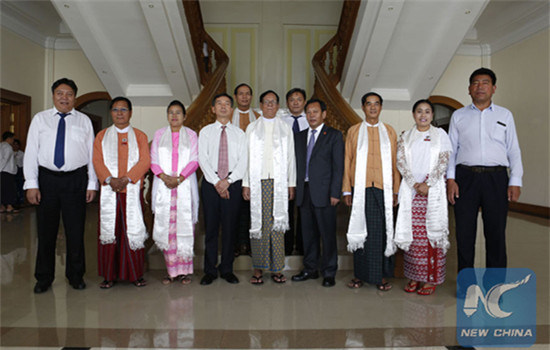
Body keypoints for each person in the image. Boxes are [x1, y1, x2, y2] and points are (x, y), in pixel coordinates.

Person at [24, 77, 98, 293]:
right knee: (46, 231)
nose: (64, 97)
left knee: (76, 231)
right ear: (53, 95)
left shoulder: (83, 121)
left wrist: (92, 183)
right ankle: (44, 277)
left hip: (76, 180)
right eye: (60, 93)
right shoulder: (40, 119)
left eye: (69, 94)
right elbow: (30, 153)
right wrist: (31, 184)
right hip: (47, 180)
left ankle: (76, 275)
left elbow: (92, 154)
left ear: (74, 97)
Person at [447, 68, 523, 271]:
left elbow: (513, 149)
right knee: (464, 233)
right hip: (465, 178)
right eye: (476, 83)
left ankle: (495, 287)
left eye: (485, 82)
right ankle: (467, 284)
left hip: (496, 178)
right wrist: (451, 180)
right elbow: (451, 151)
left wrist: (515, 180)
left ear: (494, 88)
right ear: (469, 89)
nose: (480, 87)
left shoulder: (505, 115)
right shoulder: (458, 116)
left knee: (496, 233)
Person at [343, 92, 400, 291]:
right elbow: (347, 160)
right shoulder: (354, 131)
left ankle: (380, 276)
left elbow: (395, 163)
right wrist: (346, 190)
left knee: (381, 234)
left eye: (376, 104)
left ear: (381, 107)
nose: (373, 107)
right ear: (363, 107)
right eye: (369, 104)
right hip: (361, 189)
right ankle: (359, 275)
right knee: (361, 232)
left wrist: (396, 190)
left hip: (384, 189)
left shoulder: (390, 132)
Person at [394, 99, 451, 295]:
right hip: (411, 191)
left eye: (427, 111)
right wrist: (414, 184)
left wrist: (428, 184)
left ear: (432, 115)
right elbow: (401, 162)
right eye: (419, 111)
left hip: (433, 191)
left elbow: (443, 161)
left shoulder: (440, 135)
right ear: (413, 114)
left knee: (430, 237)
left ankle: (430, 279)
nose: (423, 115)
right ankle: (413, 276)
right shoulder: (405, 137)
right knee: (414, 238)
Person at [92, 96, 150, 289]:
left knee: (131, 233)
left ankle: (135, 273)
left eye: (123, 110)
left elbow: (145, 161)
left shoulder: (140, 136)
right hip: (110, 192)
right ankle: (109, 275)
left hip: (131, 192)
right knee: (111, 233)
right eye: (115, 110)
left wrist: (126, 179)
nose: (119, 113)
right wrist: (110, 180)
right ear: (111, 113)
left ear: (130, 113)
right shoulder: (101, 136)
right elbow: (97, 161)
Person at [243, 90, 296, 284]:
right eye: (266, 102)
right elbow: (246, 158)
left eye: (274, 102)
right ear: (261, 105)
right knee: (259, 225)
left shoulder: (285, 128)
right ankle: (258, 268)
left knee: (278, 225)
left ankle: (277, 268)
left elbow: (291, 158)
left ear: (278, 105)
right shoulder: (252, 128)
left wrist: (291, 183)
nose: (270, 105)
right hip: (258, 183)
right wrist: (246, 184)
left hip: (279, 183)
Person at [291, 99, 344, 287]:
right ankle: (310, 269)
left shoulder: (334, 135)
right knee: (308, 234)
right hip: (304, 192)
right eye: (309, 112)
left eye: (315, 112)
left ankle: (329, 272)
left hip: (325, 192)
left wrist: (335, 192)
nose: (312, 115)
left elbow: (339, 167)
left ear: (324, 114)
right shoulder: (298, 136)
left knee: (327, 234)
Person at [198, 93, 247, 285]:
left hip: (233, 185)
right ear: (213, 109)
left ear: (232, 109)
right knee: (211, 229)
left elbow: (244, 161)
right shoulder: (206, 132)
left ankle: (227, 269)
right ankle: (210, 270)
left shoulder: (240, 134)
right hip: (211, 186)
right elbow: (202, 158)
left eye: (227, 104)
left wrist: (229, 181)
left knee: (229, 228)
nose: (224, 107)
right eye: (219, 103)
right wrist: (217, 182)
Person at [150, 100, 199, 285]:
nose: (174, 116)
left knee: (185, 228)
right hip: (164, 186)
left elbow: (194, 160)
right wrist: (165, 177)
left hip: (184, 186)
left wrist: (178, 178)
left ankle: (185, 271)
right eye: (171, 112)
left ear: (185, 116)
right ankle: (170, 271)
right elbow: (153, 160)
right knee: (168, 230)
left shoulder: (192, 135)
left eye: (178, 112)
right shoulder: (159, 134)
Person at [231, 83, 259, 257]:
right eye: (241, 94)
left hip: (253, 171)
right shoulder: (227, 116)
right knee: (234, 209)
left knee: (250, 210)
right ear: (235, 97)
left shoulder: (257, 117)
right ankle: (235, 244)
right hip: (233, 172)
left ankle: (249, 245)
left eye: (247, 94)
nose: (244, 97)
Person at [281, 87, 307, 255]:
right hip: (286, 172)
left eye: (299, 99)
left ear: (304, 102)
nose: (296, 102)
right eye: (292, 99)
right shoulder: (281, 122)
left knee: (304, 212)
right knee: (287, 210)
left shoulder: (311, 119)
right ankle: (287, 246)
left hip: (305, 174)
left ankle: (303, 246)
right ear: (287, 103)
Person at [0, 132, 18, 213]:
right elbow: (5, 159)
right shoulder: (8, 147)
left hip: (2, 171)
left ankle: (2, 206)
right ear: (9, 138)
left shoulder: (1, 145)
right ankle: (9, 206)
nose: (13, 141)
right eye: (13, 139)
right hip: (7, 171)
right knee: (9, 189)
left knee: (2, 189)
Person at [12, 139, 25, 206]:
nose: (15, 146)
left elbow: (24, 163)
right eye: (14, 144)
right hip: (12, 170)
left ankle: (21, 200)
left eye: (17, 144)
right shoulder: (10, 152)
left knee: (20, 186)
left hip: (19, 170)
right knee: (13, 186)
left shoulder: (21, 153)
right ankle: (14, 201)